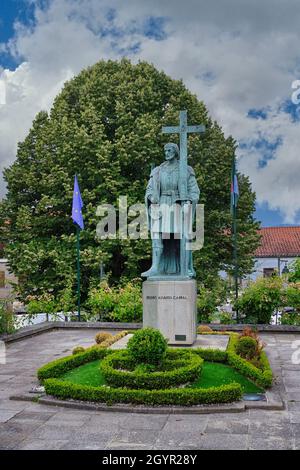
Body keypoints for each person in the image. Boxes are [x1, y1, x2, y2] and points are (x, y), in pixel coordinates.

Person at [141, 142, 200, 278]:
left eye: (169, 150)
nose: (166, 153)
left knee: (182, 236)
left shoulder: (185, 169)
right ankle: (155, 267)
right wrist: (151, 197)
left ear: (175, 152)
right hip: (161, 205)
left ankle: (185, 267)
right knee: (157, 234)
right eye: (165, 150)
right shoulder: (157, 171)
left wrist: (188, 200)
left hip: (178, 205)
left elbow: (194, 191)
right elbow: (149, 189)